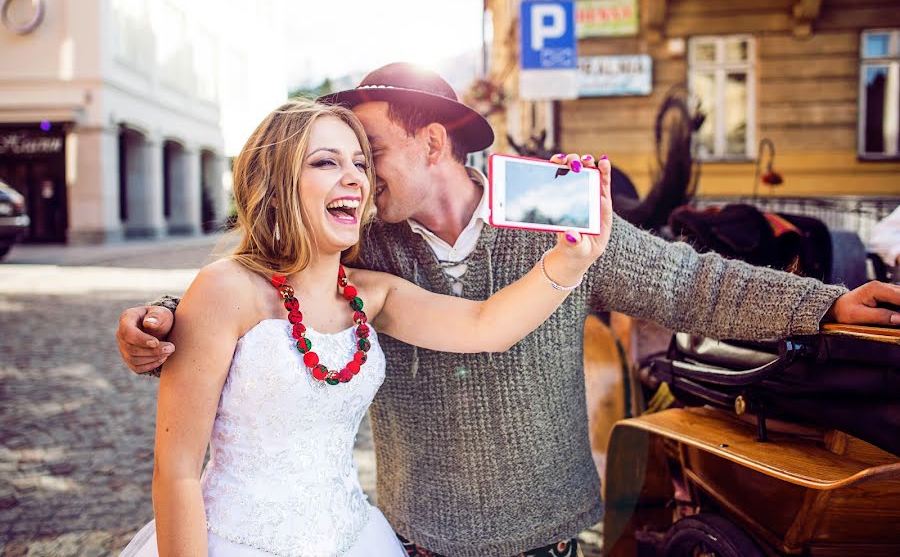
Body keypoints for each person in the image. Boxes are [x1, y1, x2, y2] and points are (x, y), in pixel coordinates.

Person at [118, 63, 900, 557]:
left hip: (544, 532)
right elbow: (273, 283)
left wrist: (826, 303)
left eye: (369, 153)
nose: (356, 177)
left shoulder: (554, 205)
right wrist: (167, 319)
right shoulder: (365, 240)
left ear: (431, 145)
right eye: (340, 159)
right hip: (409, 535)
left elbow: (690, 285)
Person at [118, 99, 612, 557]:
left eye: (361, 162)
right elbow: (177, 471)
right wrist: (158, 322)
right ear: (275, 183)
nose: (356, 178)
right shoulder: (224, 289)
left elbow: (487, 327)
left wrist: (570, 261)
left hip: (353, 537)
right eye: (327, 162)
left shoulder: (374, 293)